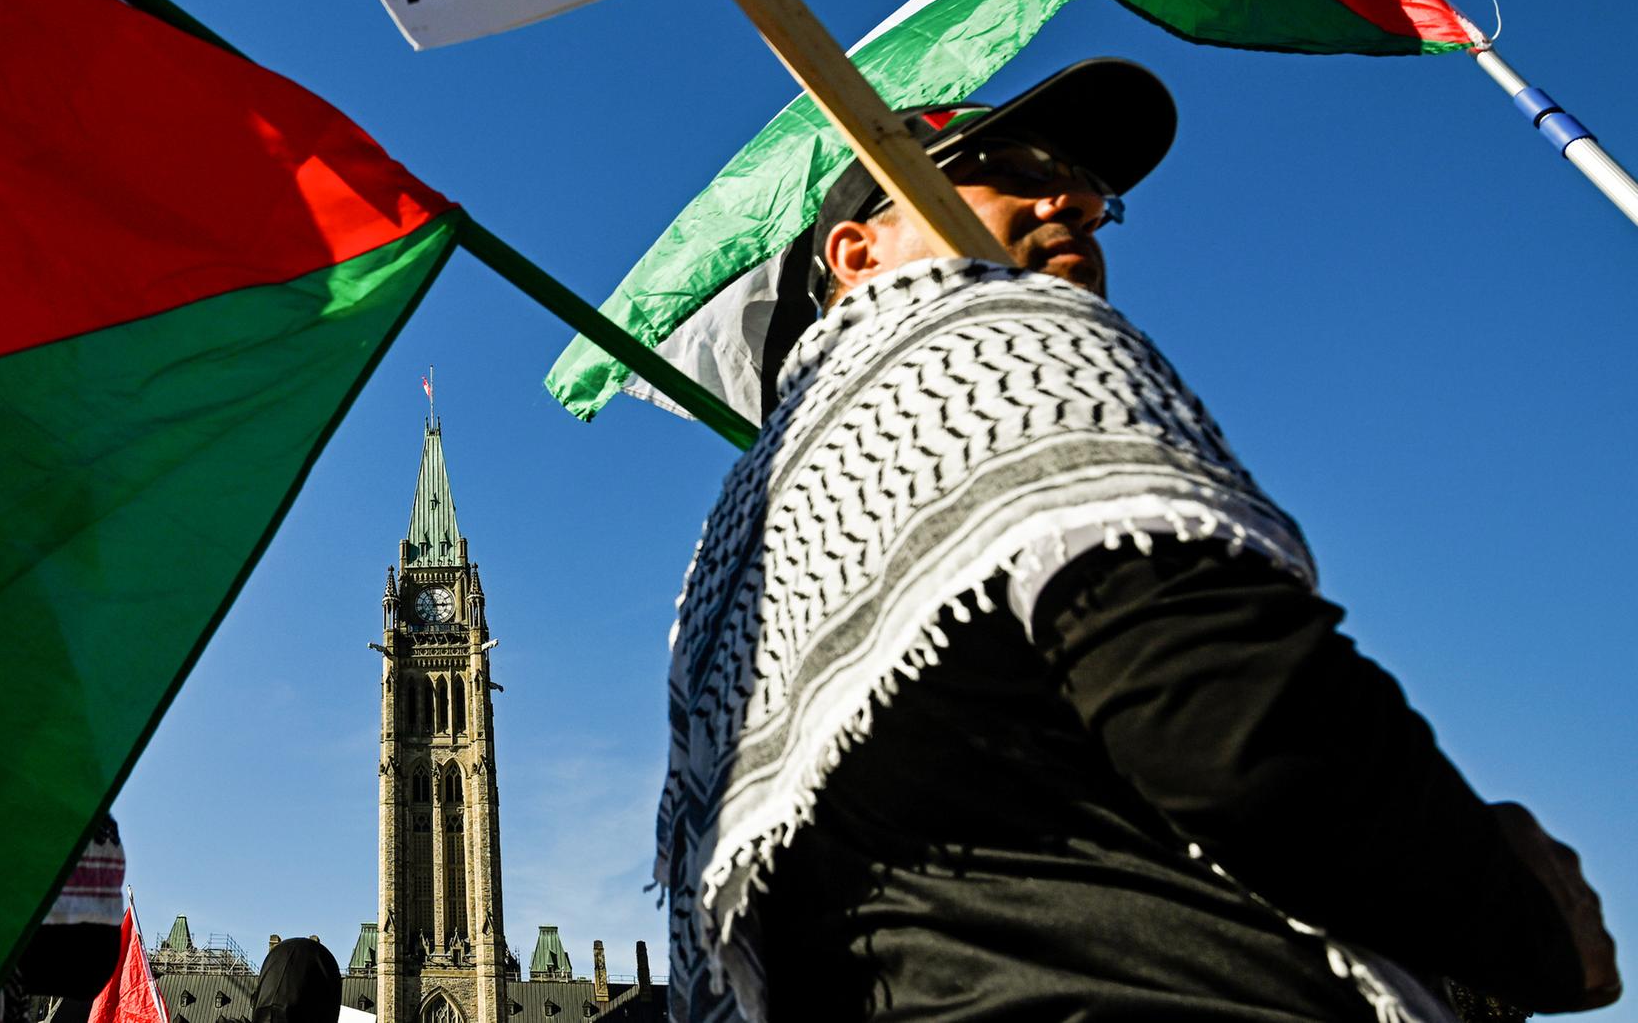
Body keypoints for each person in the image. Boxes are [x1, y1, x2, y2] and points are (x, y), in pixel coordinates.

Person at [658, 59, 1618, 1023]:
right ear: (859, 254)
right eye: (1002, 168)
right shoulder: (995, 333)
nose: (1072, 198)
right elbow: (1231, 723)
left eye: (1085, 185)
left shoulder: (745, 534)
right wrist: (1521, 918)